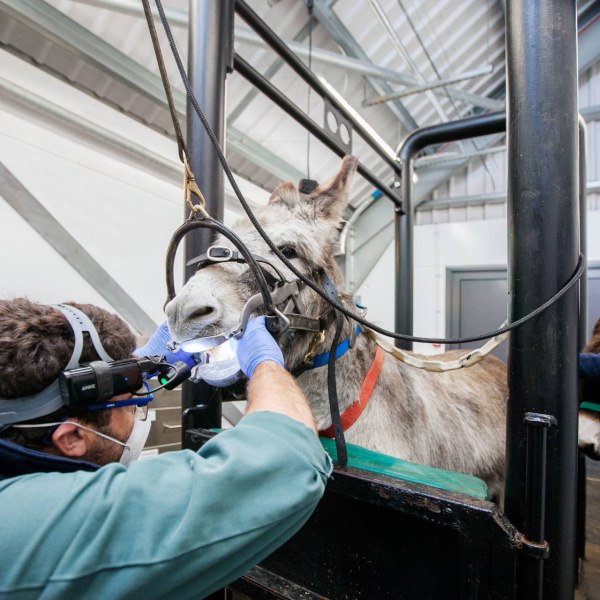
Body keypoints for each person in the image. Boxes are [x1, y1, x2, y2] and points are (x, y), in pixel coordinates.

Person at [0, 298, 331, 599]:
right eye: (132, 406)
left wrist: (138, 364)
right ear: (71, 438)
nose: (135, 412)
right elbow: (287, 459)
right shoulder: (34, 525)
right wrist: (264, 364)